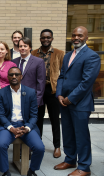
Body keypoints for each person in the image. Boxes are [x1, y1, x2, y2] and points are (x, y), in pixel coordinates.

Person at [54, 26, 100, 176]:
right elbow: (61, 77)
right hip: (64, 101)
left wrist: (70, 99)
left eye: (80, 35)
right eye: (73, 35)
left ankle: (84, 167)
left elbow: (87, 82)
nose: (76, 38)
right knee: (67, 132)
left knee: (81, 135)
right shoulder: (67, 56)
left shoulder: (92, 56)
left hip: (80, 103)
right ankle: (70, 159)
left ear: (86, 37)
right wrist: (59, 95)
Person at [0, 67, 45, 176]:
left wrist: (27, 128)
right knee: (0, 145)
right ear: (8, 77)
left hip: (25, 126)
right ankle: (5, 172)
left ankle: (32, 171)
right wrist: (11, 128)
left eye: (17, 74)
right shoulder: (1, 93)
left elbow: (34, 115)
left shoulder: (31, 92)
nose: (14, 76)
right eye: (11, 74)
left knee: (39, 148)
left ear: (21, 76)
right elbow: (1, 115)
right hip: (8, 126)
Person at [32, 29, 64, 158]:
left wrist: (61, 92)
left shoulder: (59, 53)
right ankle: (38, 144)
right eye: (43, 37)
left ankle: (57, 146)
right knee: (37, 119)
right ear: (40, 39)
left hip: (53, 90)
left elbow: (63, 74)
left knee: (55, 119)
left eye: (48, 37)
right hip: (38, 91)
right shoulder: (33, 53)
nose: (46, 39)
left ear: (52, 38)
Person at [12, 37, 46, 107]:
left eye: (25, 46)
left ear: (30, 47)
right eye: (20, 46)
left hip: (32, 99)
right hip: (16, 98)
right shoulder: (14, 62)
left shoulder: (39, 62)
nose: (22, 48)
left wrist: (37, 100)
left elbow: (41, 82)